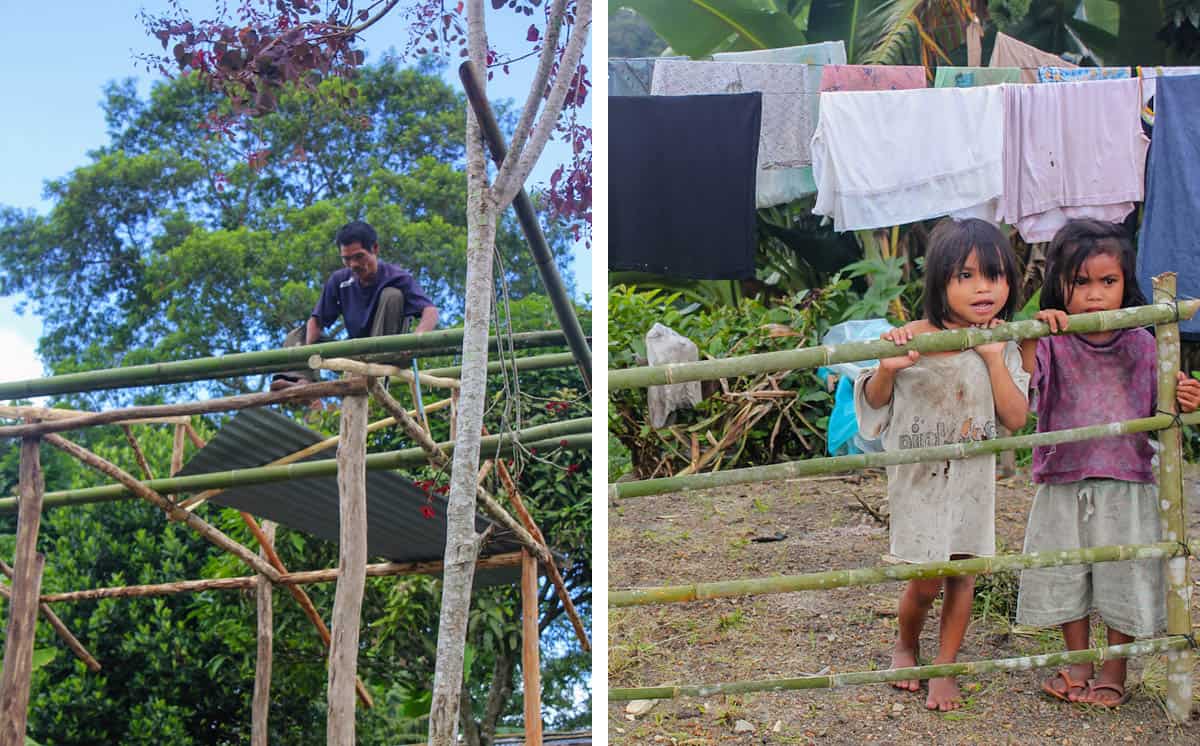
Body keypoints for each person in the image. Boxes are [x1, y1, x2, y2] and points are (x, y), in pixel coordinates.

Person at [1015, 219, 1200, 707]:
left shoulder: (1144, 342)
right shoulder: (1052, 341)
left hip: (1129, 478)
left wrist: (1185, 396)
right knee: (1067, 573)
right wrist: (1034, 332)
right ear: (1059, 283)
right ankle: (1077, 665)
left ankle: (1115, 669)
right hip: (1062, 478)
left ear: (1125, 284)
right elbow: (1025, 384)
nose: (1095, 295)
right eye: (1081, 283)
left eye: (1108, 282)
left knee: (1125, 576)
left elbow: (1168, 401)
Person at [853, 218, 1030, 711]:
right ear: (939, 283)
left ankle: (945, 667)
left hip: (973, 482)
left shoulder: (1002, 343)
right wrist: (888, 369)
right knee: (926, 579)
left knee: (963, 575)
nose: (983, 288)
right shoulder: (912, 341)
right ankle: (906, 645)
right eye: (966, 276)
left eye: (994, 276)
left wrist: (994, 359)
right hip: (920, 481)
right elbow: (872, 408)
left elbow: (1015, 418)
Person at [272, 220, 439, 391]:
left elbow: (430, 311)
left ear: (375, 249)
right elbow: (316, 321)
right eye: (347, 259)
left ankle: (379, 361)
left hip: (388, 349)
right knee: (299, 333)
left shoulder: (396, 276)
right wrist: (308, 356)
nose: (354, 265)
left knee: (392, 294)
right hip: (355, 349)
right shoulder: (340, 280)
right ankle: (300, 381)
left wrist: (416, 340)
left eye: (359, 256)